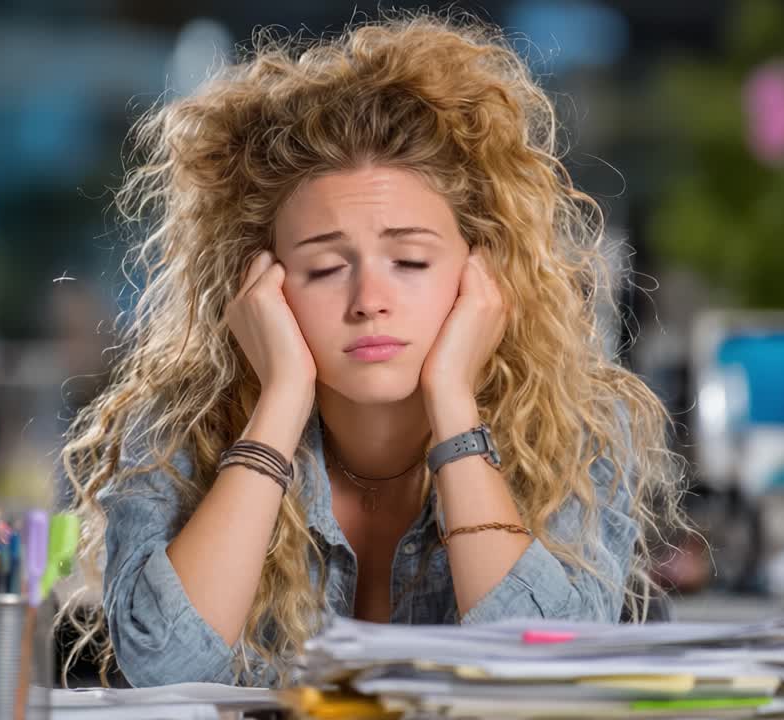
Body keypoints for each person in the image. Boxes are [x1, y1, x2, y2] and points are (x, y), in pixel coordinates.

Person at [59, 14, 685, 688]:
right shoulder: (174, 428)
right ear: (259, 287)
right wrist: (281, 401)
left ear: (481, 274)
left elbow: (550, 672)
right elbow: (164, 667)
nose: (369, 300)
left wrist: (453, 405)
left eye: (411, 262)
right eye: (326, 269)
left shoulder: (580, 425)